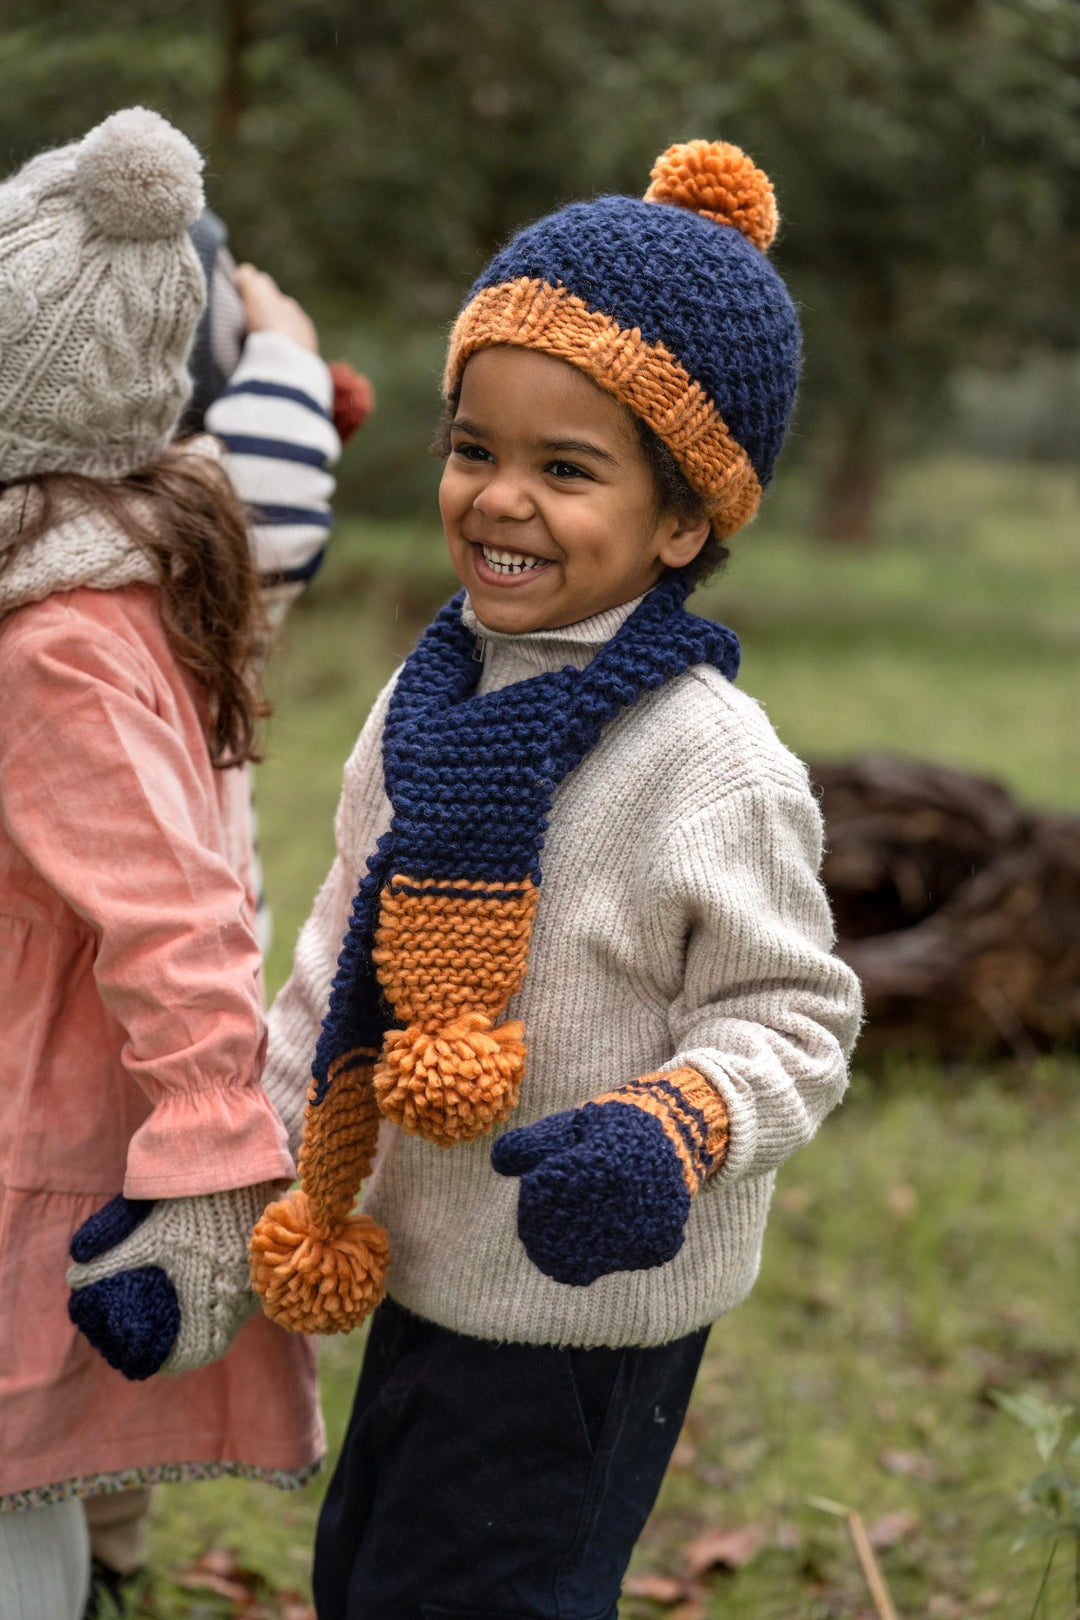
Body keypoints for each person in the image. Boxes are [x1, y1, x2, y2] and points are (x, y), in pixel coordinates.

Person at [252, 137, 865, 1620]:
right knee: (370, 1570)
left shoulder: (708, 762)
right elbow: (351, 951)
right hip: (430, 1260)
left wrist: (672, 1127)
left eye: (566, 468)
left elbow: (799, 1018)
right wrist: (251, 1156)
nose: (500, 499)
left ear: (683, 518)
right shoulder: (433, 692)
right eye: (477, 449)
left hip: (592, 1301)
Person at [0, 108, 328, 1620]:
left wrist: (212, 1152)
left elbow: (176, 909)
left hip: (33, 1121)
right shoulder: (70, 563)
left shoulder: (54, 637)